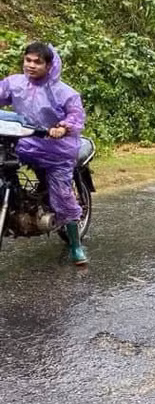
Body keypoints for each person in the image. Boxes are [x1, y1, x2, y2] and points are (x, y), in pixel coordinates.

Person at [0, 42, 88, 264]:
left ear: (49, 65)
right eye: (27, 60)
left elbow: (76, 116)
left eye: (37, 62)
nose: (31, 65)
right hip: (23, 141)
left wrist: (63, 127)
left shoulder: (65, 92)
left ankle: (76, 247)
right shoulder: (15, 83)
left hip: (56, 150)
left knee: (62, 196)